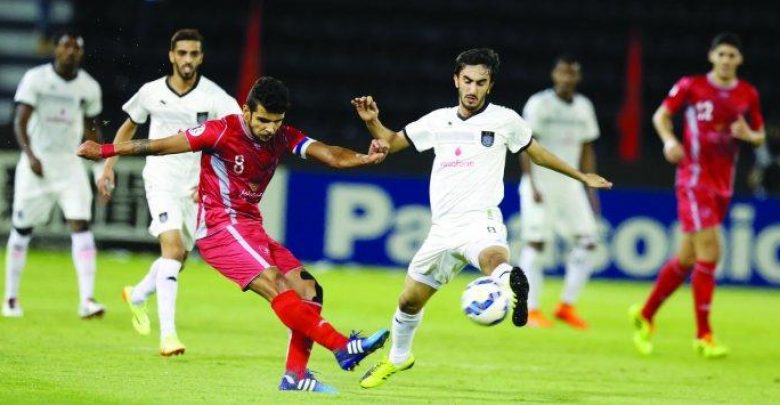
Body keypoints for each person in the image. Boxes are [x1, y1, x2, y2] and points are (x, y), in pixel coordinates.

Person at [78, 77, 390, 393]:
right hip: (219, 229)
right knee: (276, 283)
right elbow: (159, 146)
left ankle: (295, 375)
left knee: (310, 290)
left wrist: (365, 158)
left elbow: (332, 155)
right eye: (263, 120)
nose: (270, 128)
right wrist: (105, 151)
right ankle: (343, 347)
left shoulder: (282, 136)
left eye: (276, 121)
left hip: (250, 227)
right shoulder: (221, 131)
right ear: (246, 112)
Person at [351, 48, 612, 389]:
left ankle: (509, 282)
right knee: (408, 300)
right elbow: (390, 142)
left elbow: (539, 153)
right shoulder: (437, 121)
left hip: (480, 219)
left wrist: (581, 176)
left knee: (492, 256)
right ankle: (399, 358)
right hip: (442, 230)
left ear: (490, 86)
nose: (473, 89)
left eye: (481, 83)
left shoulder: (505, 120)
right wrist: (372, 121)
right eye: (468, 81)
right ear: (456, 80)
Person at [97, 29, 241, 357]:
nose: (188, 60)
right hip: (160, 178)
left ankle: (137, 294)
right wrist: (108, 164)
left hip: (193, 187)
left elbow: (235, 137)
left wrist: (213, 180)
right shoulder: (150, 92)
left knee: (178, 258)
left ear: (201, 57)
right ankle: (169, 336)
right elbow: (129, 126)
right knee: (173, 250)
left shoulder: (215, 97)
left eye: (194, 54)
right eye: (182, 53)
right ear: (172, 56)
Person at [630, 32, 765, 358]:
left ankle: (645, 315)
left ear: (739, 60)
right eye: (722, 54)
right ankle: (704, 335)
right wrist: (669, 141)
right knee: (712, 251)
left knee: (688, 258)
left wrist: (748, 134)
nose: (727, 60)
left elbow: (759, 136)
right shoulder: (691, 86)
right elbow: (660, 116)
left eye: (732, 55)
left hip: (723, 184)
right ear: (712, 57)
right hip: (693, 179)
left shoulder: (748, 94)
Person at [3, 31, 105, 319]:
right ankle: (10, 298)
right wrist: (30, 155)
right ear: (55, 50)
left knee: (81, 225)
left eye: (76, 46)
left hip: (70, 164)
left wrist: (101, 167)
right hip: (37, 163)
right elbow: (20, 120)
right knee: (22, 229)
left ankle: (87, 299)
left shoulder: (89, 87)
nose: (70, 51)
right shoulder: (36, 78)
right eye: (65, 46)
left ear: (81, 53)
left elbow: (92, 128)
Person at [518, 54, 601, 330]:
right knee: (537, 243)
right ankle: (530, 309)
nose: (567, 78)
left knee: (589, 241)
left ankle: (566, 305)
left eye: (572, 73)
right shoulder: (539, 104)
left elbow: (587, 147)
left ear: (577, 77)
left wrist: (589, 185)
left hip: (571, 185)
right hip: (542, 183)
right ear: (555, 75)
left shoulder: (584, 106)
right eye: (563, 73)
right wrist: (531, 183)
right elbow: (525, 144)